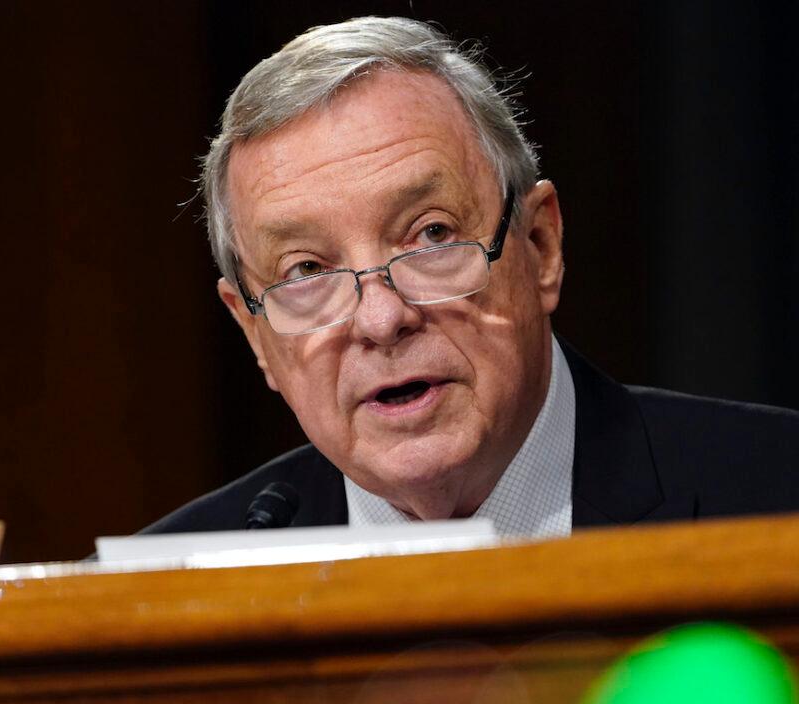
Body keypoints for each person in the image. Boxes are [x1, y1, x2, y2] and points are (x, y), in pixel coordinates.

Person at [144, 16, 799, 537]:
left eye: (432, 235)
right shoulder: (152, 605)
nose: (381, 319)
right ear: (255, 333)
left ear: (540, 244)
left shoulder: (776, 495)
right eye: (307, 270)